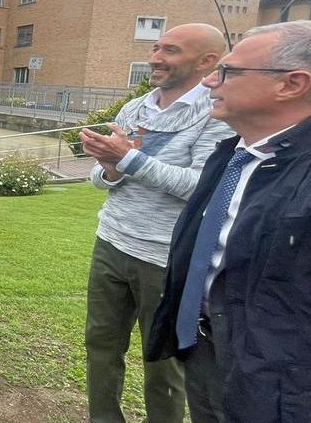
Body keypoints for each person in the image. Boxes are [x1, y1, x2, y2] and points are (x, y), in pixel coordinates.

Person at [146, 20, 311, 423]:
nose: (209, 83)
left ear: (291, 84)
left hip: (283, 392)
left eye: (228, 72)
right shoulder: (234, 152)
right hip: (204, 352)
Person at [79, 23, 232, 423]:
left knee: (162, 358)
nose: (155, 58)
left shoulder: (215, 113)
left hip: (166, 257)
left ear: (206, 62)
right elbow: (105, 180)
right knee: (100, 344)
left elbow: (201, 187)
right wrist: (111, 167)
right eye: (156, 47)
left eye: (170, 51)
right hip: (111, 242)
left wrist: (128, 160)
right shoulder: (137, 108)